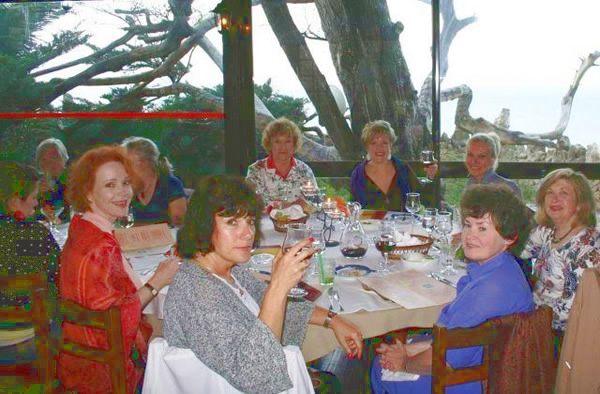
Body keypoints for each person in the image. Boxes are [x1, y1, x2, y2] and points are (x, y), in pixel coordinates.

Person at [163, 176, 363, 393]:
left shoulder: (229, 271)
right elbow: (257, 377)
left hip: (265, 373)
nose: (248, 233)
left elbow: (271, 305)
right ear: (203, 225)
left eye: (249, 221)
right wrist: (278, 285)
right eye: (232, 222)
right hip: (256, 384)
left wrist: (332, 319)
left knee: (346, 356)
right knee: (354, 366)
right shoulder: (197, 293)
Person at [371, 184, 534, 394]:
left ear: (509, 238)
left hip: (475, 381)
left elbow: (445, 361)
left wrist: (404, 363)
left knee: (380, 368)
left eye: (482, 228)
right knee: (393, 353)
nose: (469, 235)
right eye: (467, 225)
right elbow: (452, 337)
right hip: (481, 362)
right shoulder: (499, 268)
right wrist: (406, 350)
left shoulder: (490, 290)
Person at [58, 146, 180, 393]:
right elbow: (120, 321)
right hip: (103, 366)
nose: (123, 193)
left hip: (76, 352)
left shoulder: (82, 226)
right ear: (88, 193)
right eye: (110, 185)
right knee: (182, 333)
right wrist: (157, 281)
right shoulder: (101, 245)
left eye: (125, 182)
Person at [521, 169, 599, 335]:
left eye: (564, 193)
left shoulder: (587, 246)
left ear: (580, 204)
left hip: (563, 334)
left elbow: (571, 309)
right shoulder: (547, 232)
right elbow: (520, 254)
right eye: (550, 192)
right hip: (537, 318)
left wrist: (526, 318)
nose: (555, 199)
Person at [0, 161, 59, 346]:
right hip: (29, 331)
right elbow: (60, 278)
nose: (36, 202)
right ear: (15, 201)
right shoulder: (36, 234)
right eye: (33, 197)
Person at [350, 120, 437, 211]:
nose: (379, 147)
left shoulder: (402, 169)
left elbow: (423, 199)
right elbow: (354, 210)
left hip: (403, 225)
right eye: (374, 143)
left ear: (391, 145)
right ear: (367, 146)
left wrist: (430, 177)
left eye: (384, 143)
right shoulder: (358, 175)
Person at [246, 117, 318, 211]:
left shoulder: (304, 170)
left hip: (299, 224)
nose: (283, 147)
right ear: (269, 144)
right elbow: (251, 204)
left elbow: (316, 203)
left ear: (294, 144)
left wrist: (308, 205)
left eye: (287, 141)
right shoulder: (256, 170)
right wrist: (291, 205)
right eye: (277, 141)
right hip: (266, 224)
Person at [122, 136, 187, 227]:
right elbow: (120, 222)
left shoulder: (171, 184)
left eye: (126, 162)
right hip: (137, 240)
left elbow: (179, 224)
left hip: (168, 240)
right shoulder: (128, 187)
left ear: (144, 162)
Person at [465, 132, 521, 198]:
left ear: (493, 159)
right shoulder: (471, 184)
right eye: (470, 155)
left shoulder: (509, 189)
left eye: (481, 156)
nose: (474, 161)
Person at [35, 137, 70, 222]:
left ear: (64, 159)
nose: (48, 164)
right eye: (44, 159)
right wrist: (35, 193)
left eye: (54, 158)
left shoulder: (75, 180)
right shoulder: (35, 184)